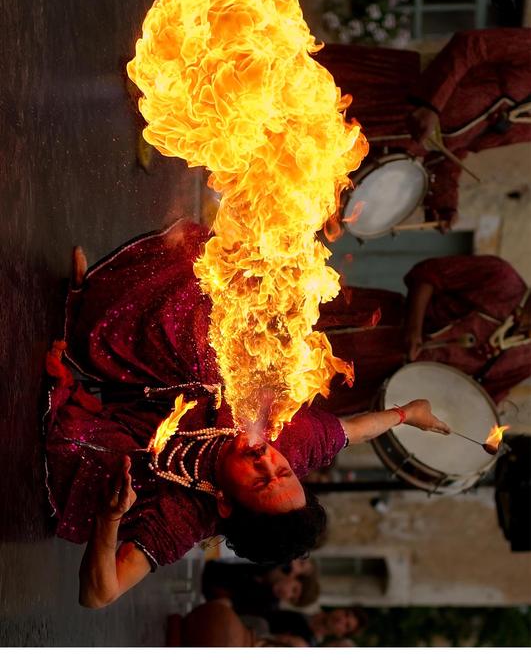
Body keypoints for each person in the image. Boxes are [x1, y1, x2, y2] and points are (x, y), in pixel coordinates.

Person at [44, 219, 449, 609]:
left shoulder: (183, 518)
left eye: (260, 482)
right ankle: (89, 305)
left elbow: (99, 596)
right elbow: (355, 430)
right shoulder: (291, 442)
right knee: (204, 315)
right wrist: (407, 414)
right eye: (284, 471)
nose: (268, 461)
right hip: (145, 373)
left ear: (224, 504)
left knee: (86, 457)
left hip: (103, 439)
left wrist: (109, 519)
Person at [315, 254, 531, 416]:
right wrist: (414, 329)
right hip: (381, 322)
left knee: (305, 400)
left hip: (381, 383)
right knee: (296, 336)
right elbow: (428, 274)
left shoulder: (526, 359)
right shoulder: (502, 278)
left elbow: (485, 395)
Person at [406, 28, 531, 228]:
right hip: (394, 89)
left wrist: (444, 203)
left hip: (399, 142)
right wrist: (432, 104)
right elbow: (471, 43)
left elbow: (458, 147)